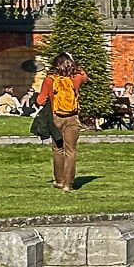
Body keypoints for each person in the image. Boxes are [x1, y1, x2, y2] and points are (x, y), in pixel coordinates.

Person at [36, 52, 87, 192]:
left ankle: (59, 181)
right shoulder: (76, 78)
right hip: (73, 117)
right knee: (70, 151)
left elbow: (40, 100)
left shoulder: (50, 80)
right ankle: (68, 184)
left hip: (56, 118)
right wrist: (74, 61)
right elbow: (84, 75)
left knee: (58, 149)